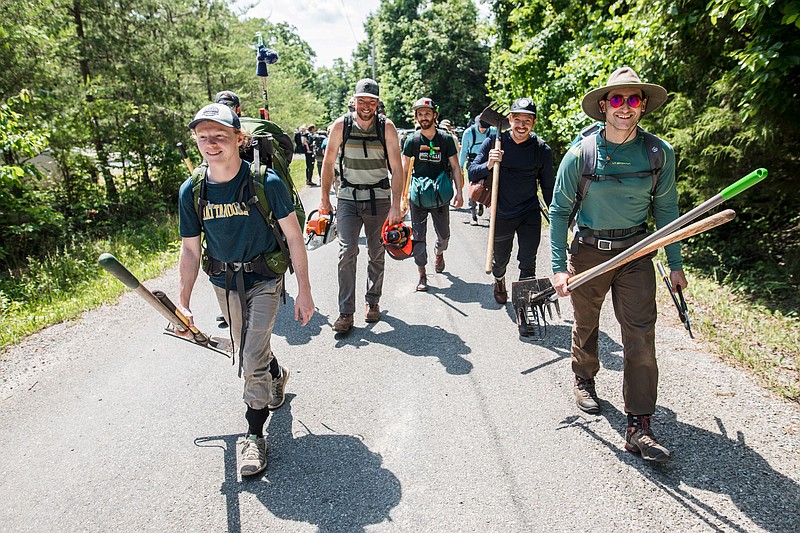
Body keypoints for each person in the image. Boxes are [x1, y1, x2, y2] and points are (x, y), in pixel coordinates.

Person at [549, 67, 687, 463]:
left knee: (640, 335)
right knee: (586, 322)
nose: (624, 107)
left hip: (638, 252)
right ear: (604, 106)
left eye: (632, 99)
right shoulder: (582, 154)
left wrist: (674, 263)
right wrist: (560, 266)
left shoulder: (658, 152)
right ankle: (584, 377)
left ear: (642, 105)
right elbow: (559, 213)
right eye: (616, 99)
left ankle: (639, 424)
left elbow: (667, 211)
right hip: (590, 250)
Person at [177, 103, 314, 476]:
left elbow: (294, 237)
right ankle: (277, 374)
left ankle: (253, 437)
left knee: (250, 358)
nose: (210, 144)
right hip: (223, 282)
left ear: (239, 139)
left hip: (266, 278)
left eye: (219, 136)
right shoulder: (192, 191)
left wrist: (304, 291)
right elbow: (190, 250)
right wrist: (183, 303)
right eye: (203, 137)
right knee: (249, 346)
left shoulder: (265, 182)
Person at [318, 78, 404, 333]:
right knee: (346, 252)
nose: (366, 106)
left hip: (378, 199)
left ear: (378, 103)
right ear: (353, 100)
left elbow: (397, 168)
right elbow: (328, 162)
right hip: (347, 198)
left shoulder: (386, 127)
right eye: (362, 100)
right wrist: (324, 199)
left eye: (372, 101)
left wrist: (396, 206)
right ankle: (345, 313)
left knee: (377, 252)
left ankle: (373, 301)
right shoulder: (340, 126)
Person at [468, 98, 554, 304]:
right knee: (500, 261)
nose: (521, 125)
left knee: (527, 263)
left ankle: (524, 310)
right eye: (517, 119)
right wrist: (489, 163)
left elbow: (548, 187)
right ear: (510, 119)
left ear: (533, 123)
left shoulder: (542, 150)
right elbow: (472, 172)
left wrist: (557, 216)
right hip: (501, 212)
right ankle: (499, 280)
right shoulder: (495, 142)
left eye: (527, 120)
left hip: (529, 213)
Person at [402, 98, 464, 291]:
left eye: (427, 113)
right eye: (420, 114)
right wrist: (401, 199)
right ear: (416, 117)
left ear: (435, 115)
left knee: (444, 235)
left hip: (440, 197)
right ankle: (422, 275)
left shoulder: (445, 139)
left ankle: (439, 251)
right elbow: (404, 171)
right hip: (418, 197)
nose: (424, 117)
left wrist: (460, 193)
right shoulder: (411, 141)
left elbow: (455, 167)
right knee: (418, 237)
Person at [459, 114, 496, 225]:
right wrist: (460, 167)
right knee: (473, 187)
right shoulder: (468, 133)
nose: (483, 129)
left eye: (485, 127)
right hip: (472, 162)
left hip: (487, 163)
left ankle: (483, 203)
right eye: (481, 127)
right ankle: (473, 215)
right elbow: (464, 151)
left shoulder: (493, 132)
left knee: (488, 186)